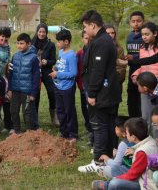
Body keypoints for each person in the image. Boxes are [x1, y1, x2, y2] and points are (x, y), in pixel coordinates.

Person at [78, 10, 121, 173]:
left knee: (99, 125)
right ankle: (107, 157)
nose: (85, 30)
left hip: (103, 93)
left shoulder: (101, 42)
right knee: (108, 125)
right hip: (108, 92)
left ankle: (99, 162)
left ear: (93, 25)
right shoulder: (103, 40)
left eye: (85, 27)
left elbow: (98, 70)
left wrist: (93, 93)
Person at [92, 118, 158, 190]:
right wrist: (134, 150)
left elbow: (132, 175)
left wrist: (116, 178)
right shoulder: (151, 140)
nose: (126, 135)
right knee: (115, 171)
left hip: (144, 183)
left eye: (127, 133)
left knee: (115, 183)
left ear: (133, 137)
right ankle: (108, 184)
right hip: (143, 176)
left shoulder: (141, 153)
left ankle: (108, 185)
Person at [49, 29, 78, 142]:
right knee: (60, 110)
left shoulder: (72, 55)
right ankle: (64, 132)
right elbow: (60, 64)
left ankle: (73, 134)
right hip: (58, 86)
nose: (57, 44)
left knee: (69, 110)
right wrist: (55, 69)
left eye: (59, 41)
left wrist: (58, 74)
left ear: (66, 42)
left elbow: (73, 73)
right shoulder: (61, 52)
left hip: (67, 87)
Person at [7, 33, 40, 133]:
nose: (19, 46)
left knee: (27, 112)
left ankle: (30, 131)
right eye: (18, 43)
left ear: (29, 44)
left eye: (22, 43)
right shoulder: (15, 56)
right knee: (13, 111)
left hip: (27, 91)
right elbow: (11, 74)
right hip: (15, 89)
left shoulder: (34, 58)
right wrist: (9, 89)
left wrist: (33, 93)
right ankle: (16, 130)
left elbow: (36, 77)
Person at [31, 23, 59, 127]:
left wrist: (46, 62)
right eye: (40, 32)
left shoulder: (50, 44)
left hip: (47, 71)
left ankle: (54, 117)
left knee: (52, 92)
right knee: (36, 94)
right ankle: (34, 118)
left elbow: (53, 60)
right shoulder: (31, 43)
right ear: (37, 32)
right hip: (35, 72)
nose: (42, 34)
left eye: (44, 32)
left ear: (46, 33)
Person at [131, 22, 158, 125]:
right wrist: (136, 74)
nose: (144, 37)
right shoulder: (142, 47)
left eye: (147, 34)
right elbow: (143, 64)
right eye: (143, 35)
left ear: (155, 33)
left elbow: (152, 61)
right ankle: (147, 138)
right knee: (146, 115)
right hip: (144, 84)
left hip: (155, 85)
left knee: (156, 115)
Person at [125, 11, 145, 118]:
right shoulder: (130, 36)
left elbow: (148, 54)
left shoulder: (145, 35)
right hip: (132, 69)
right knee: (131, 96)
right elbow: (130, 53)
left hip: (143, 70)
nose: (136, 23)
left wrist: (134, 57)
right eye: (133, 21)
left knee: (142, 97)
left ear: (143, 21)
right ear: (130, 23)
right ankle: (132, 120)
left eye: (138, 21)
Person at [76, 31, 93, 142]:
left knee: (91, 109)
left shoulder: (95, 52)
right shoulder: (79, 53)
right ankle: (89, 128)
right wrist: (80, 84)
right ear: (82, 39)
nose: (88, 41)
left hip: (92, 87)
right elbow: (77, 70)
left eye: (90, 39)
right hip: (83, 85)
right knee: (84, 108)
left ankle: (94, 131)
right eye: (86, 38)